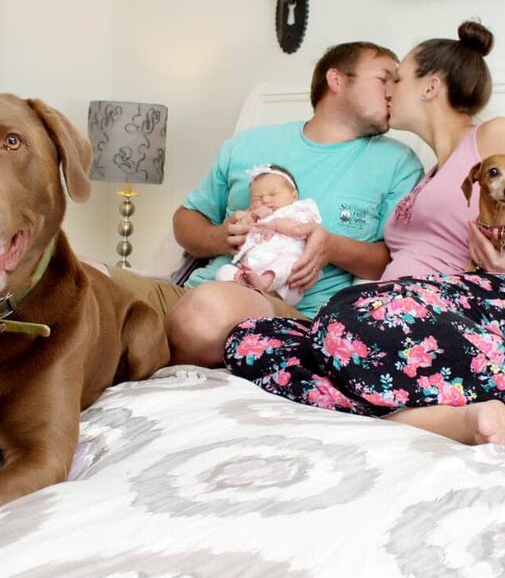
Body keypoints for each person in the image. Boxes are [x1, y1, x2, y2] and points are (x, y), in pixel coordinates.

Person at [224, 20, 505, 453]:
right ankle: (437, 419)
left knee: (344, 315)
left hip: (489, 311)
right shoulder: (426, 177)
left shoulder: (494, 138)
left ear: (430, 87)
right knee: (250, 340)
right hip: (396, 318)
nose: (388, 90)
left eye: (396, 79)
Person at [107, 41, 426, 366]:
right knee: (83, 279)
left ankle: (142, 357)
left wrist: (331, 247)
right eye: (384, 78)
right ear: (337, 79)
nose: (392, 92)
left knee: (204, 315)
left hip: (282, 309)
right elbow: (186, 219)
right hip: (190, 290)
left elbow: (395, 260)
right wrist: (218, 237)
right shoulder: (249, 144)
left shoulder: (398, 163)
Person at [215, 164, 322, 305]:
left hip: (285, 281)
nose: (265, 200)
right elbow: (238, 237)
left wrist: (275, 224)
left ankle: (263, 284)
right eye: (257, 198)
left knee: (290, 265)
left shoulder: (298, 210)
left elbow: (300, 230)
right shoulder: (254, 216)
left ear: (294, 195)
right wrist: (251, 217)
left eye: (273, 194)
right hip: (251, 270)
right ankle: (245, 287)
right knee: (223, 272)